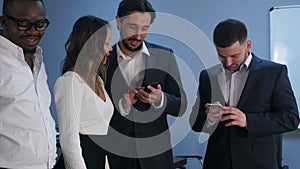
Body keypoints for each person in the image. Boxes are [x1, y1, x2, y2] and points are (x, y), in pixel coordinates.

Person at [189, 18, 300, 169]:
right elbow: (195, 123)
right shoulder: (207, 76)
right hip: (217, 162)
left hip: (258, 163)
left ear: (248, 45)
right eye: (222, 56)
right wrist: (208, 118)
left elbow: (291, 118)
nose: (228, 63)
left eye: (234, 56)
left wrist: (248, 120)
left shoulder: (274, 73)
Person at [103, 0, 187, 169]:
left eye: (145, 28)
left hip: (156, 159)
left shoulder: (165, 56)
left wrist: (161, 99)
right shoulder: (102, 60)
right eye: (133, 27)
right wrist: (123, 105)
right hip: (115, 157)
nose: (139, 35)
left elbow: (181, 105)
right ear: (118, 22)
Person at [0, 0, 56, 169]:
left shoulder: (37, 59)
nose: (33, 31)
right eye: (23, 24)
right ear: (3, 22)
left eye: (40, 24)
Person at [54, 15, 113, 169]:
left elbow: (102, 133)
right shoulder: (70, 81)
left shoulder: (98, 80)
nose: (110, 48)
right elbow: (69, 142)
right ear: (93, 45)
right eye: (107, 43)